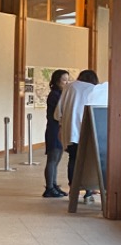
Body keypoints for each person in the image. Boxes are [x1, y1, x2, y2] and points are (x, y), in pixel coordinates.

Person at [56, 69, 99, 202]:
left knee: (73, 158)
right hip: (88, 131)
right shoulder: (94, 89)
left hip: (71, 131)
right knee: (89, 161)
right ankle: (88, 192)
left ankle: (73, 190)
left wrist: (61, 124)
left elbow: (59, 111)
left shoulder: (69, 87)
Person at [42, 70, 70, 198]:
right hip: (54, 129)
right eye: (64, 80)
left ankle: (54, 184)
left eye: (67, 80)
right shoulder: (54, 94)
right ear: (57, 81)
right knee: (52, 159)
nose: (66, 82)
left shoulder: (61, 93)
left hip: (59, 128)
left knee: (57, 159)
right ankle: (49, 188)